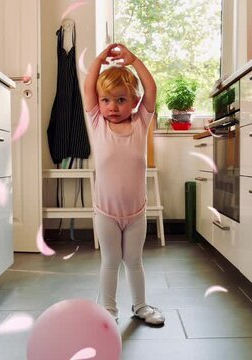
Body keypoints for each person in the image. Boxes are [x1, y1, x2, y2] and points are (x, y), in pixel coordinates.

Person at [83, 43, 165, 325]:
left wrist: (134, 60)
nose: (112, 107)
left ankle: (140, 306)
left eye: (120, 100)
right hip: (105, 212)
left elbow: (152, 90)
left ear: (133, 101)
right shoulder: (96, 122)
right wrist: (99, 59)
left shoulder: (141, 121)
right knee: (110, 261)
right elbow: (88, 87)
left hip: (135, 213)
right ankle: (108, 311)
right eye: (106, 100)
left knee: (134, 261)